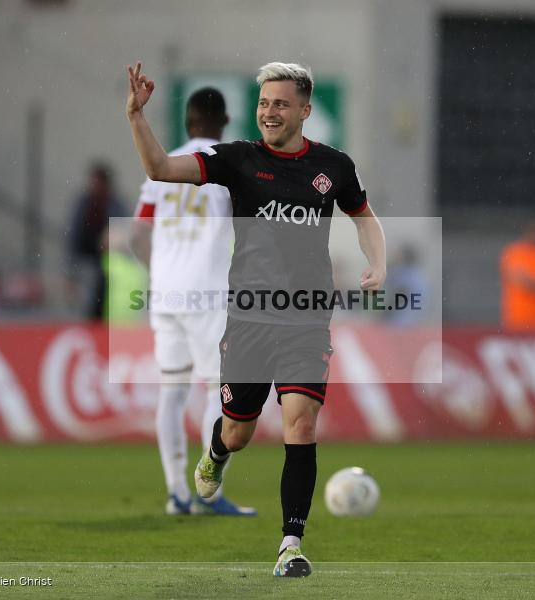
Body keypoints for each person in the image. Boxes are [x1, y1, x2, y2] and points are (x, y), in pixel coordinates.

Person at [125, 61, 386, 577]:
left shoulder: (335, 166)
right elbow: (159, 169)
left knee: (301, 422)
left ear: (306, 111)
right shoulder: (237, 160)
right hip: (248, 319)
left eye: (281, 103)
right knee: (240, 431)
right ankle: (216, 453)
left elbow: (364, 217)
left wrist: (378, 261)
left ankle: (291, 543)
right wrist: (136, 116)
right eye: (265, 103)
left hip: (307, 319)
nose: (269, 111)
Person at [128, 87, 256, 516]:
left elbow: (137, 235)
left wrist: (162, 269)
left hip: (165, 294)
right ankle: (208, 494)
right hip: (208, 295)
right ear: (223, 122)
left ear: (188, 122)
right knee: (219, 397)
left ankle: (175, 493)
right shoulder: (228, 165)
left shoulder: (160, 165)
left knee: (172, 393)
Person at [68, 162, 127, 320]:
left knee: (105, 301)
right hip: (87, 259)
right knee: (89, 302)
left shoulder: (114, 204)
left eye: (96, 182)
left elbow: (122, 232)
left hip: (109, 261)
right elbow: (74, 235)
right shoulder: (84, 204)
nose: (93, 186)